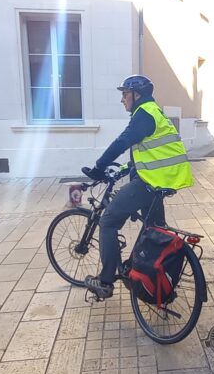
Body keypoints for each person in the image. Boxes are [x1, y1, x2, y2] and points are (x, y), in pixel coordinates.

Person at [82, 75, 194, 299]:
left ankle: (105, 282)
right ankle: (151, 280)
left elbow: (121, 142)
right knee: (155, 230)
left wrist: (98, 167)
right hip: (163, 179)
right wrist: (124, 168)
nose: (122, 99)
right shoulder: (154, 112)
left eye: (125, 94)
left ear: (137, 94)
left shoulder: (143, 114)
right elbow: (148, 151)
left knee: (108, 222)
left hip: (150, 182)